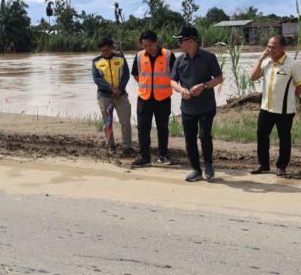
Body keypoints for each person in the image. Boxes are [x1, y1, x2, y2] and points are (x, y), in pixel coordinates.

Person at [170, 26, 224, 182]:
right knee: (189, 139)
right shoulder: (179, 60)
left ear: (192, 41)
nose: (179, 44)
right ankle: (195, 169)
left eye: (181, 40)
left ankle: (208, 164)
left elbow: (219, 78)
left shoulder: (209, 57)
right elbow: (172, 81)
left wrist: (204, 86)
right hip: (187, 108)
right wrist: (181, 90)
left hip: (206, 106)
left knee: (204, 136)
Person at [249, 35, 301, 177]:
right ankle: (263, 164)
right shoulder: (266, 62)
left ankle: (282, 167)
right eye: (268, 46)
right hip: (266, 108)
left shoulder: (292, 64)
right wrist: (260, 58)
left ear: (283, 48)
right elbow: (252, 77)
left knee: (284, 138)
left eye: (273, 47)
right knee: (262, 135)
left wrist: (291, 98)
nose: (270, 49)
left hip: (284, 110)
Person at [131, 30, 176, 167]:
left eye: (150, 45)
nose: (147, 48)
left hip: (163, 98)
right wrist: (146, 86)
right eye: (144, 46)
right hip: (144, 98)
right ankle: (144, 157)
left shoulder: (168, 55)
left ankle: (163, 155)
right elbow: (136, 74)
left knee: (162, 128)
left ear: (156, 42)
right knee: (143, 128)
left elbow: (175, 75)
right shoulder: (139, 56)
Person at [92, 36, 133, 155]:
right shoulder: (96, 61)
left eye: (107, 50)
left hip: (121, 95)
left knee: (125, 121)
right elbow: (97, 79)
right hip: (104, 96)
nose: (104, 53)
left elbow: (126, 75)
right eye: (102, 51)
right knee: (107, 123)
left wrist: (119, 89)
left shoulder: (120, 58)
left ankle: (127, 147)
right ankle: (111, 146)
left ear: (112, 48)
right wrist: (111, 89)